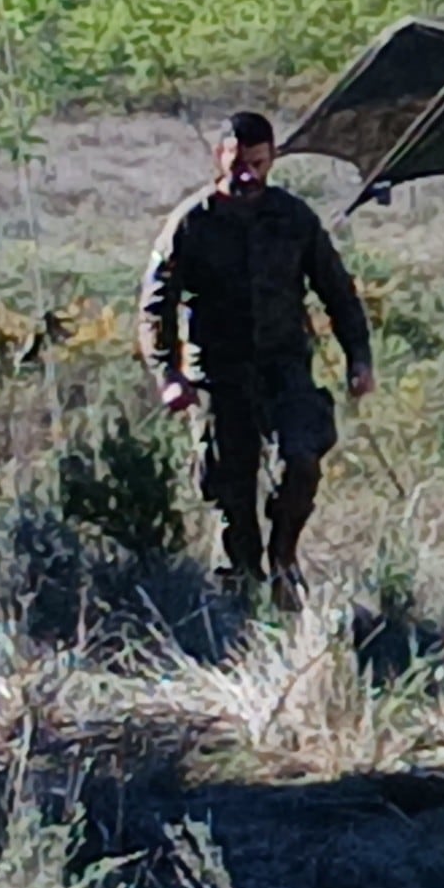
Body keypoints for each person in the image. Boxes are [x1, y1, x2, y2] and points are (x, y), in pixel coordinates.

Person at [139, 109, 376, 606]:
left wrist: (358, 357)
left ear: (270, 161)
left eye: (257, 163)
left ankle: (284, 558)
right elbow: (155, 304)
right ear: (218, 158)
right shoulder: (191, 222)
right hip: (219, 375)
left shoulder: (293, 218)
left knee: (302, 461)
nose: (246, 174)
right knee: (233, 492)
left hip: (284, 365)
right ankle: (242, 600)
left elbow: (337, 290)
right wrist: (168, 373)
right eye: (237, 163)